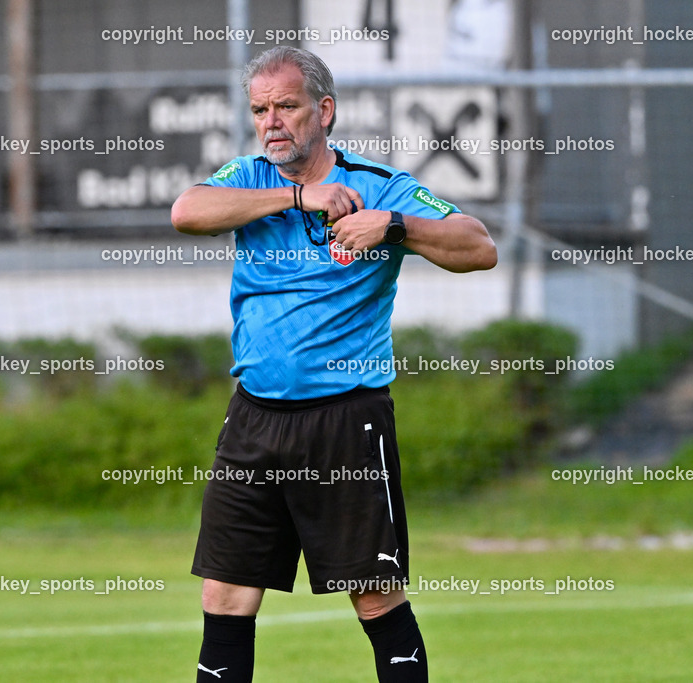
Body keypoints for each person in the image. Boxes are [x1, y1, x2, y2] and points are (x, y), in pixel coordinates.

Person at [171, 45, 496, 683]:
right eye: (260, 110)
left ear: (323, 111)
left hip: (346, 420)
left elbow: (478, 246)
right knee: (225, 597)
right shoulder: (249, 178)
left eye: (286, 107)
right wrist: (297, 198)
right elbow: (187, 212)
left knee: (374, 596)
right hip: (255, 418)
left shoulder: (379, 186)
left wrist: (394, 227)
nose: (271, 122)